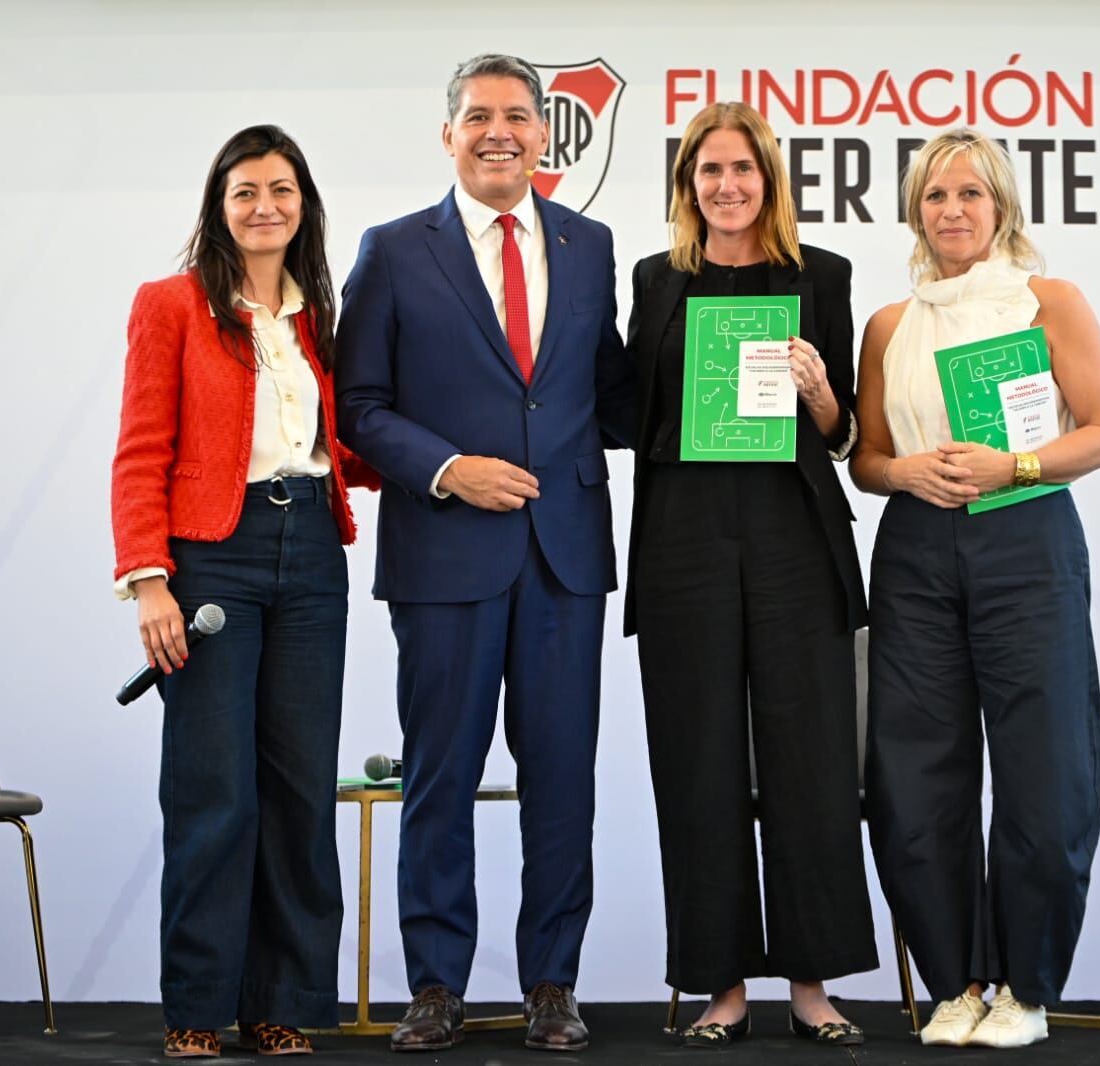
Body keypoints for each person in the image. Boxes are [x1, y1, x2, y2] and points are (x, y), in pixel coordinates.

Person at [334, 54, 633, 1054]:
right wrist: (450, 466)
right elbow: (361, 406)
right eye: (477, 117)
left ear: (545, 134)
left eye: (516, 116)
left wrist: (752, 368)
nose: (497, 131)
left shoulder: (590, 247)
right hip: (445, 551)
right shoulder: (391, 250)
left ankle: (553, 981)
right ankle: (434, 984)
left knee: (562, 778)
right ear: (448, 133)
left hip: (563, 555)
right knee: (440, 774)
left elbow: (611, 392)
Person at [851, 127, 1100, 1049]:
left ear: (1001, 205)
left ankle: (1026, 986)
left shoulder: (1049, 302)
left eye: (970, 194)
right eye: (934, 196)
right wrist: (906, 474)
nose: (952, 211)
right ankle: (956, 982)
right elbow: (867, 460)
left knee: (1047, 770)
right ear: (913, 213)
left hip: (1027, 536)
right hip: (917, 550)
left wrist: (1014, 464)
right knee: (914, 776)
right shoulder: (890, 324)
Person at [111, 124, 376, 1059]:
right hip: (209, 558)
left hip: (311, 552)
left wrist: (437, 453)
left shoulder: (319, 314)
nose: (265, 206)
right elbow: (142, 451)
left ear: (303, 204)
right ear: (219, 208)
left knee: (299, 791)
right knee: (211, 791)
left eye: (282, 190)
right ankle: (196, 1006)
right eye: (245, 192)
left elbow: (339, 444)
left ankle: (283, 1003)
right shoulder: (172, 305)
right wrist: (149, 581)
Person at [622, 101, 877, 1049]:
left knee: (810, 760)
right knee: (697, 760)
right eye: (708, 171)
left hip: (792, 537)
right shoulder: (655, 280)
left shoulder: (823, 277)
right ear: (687, 184)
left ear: (771, 180)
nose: (726, 187)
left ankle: (811, 986)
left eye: (743, 170)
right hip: (683, 538)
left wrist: (818, 395)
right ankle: (719, 985)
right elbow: (626, 414)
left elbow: (845, 435)